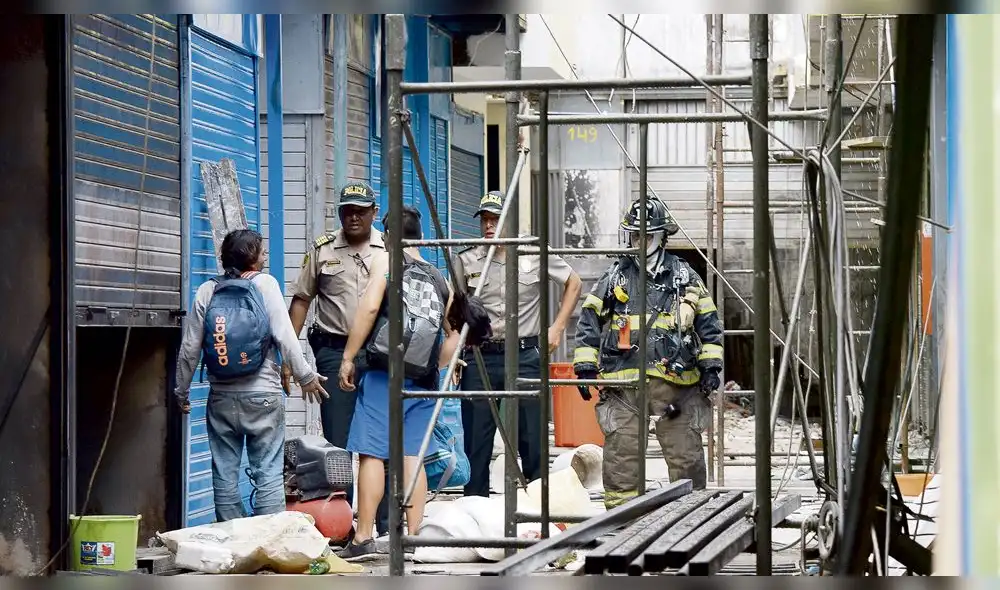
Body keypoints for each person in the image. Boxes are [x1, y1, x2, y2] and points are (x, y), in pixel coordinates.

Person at [571, 196, 724, 509]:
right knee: (622, 451)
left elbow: (709, 324)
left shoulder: (685, 276)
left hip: (677, 387)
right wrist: (584, 367)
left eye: (648, 235)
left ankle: (689, 513)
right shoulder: (616, 276)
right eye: (636, 235)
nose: (640, 242)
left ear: (662, 236)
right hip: (625, 385)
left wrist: (711, 366)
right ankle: (622, 516)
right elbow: (588, 321)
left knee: (684, 450)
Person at [173, 229, 329, 522]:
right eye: (262, 251)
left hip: (221, 397)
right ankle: (268, 536)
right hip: (263, 395)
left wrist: (181, 391)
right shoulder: (265, 284)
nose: (266, 256)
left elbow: (189, 349)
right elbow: (285, 335)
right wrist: (305, 375)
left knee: (224, 472)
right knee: (267, 469)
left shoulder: (207, 290)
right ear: (253, 259)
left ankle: (232, 535)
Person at [335, 206, 458, 562]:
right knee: (412, 456)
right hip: (423, 379)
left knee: (373, 453)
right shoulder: (440, 278)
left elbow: (370, 309)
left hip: (382, 374)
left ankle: (363, 537)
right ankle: (414, 538)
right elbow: (454, 334)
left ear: (388, 236)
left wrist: (348, 356)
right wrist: (434, 365)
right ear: (421, 236)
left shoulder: (387, 263)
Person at [453, 191, 583, 496]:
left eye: (495, 219)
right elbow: (455, 308)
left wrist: (557, 328)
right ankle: (477, 508)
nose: (488, 226)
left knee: (532, 438)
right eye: (485, 220)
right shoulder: (466, 259)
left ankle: (536, 508)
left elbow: (574, 282)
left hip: (525, 355)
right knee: (476, 441)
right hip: (480, 356)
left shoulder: (533, 252)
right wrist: (456, 350)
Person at [284, 180, 392, 537]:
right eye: (347, 211)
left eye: (360, 211)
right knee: (338, 443)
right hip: (332, 351)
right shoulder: (322, 250)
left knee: (381, 441)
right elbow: (301, 300)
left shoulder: (389, 249)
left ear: (374, 212)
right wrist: (289, 356)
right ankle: (344, 526)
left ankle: (385, 526)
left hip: (378, 355)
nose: (353, 217)